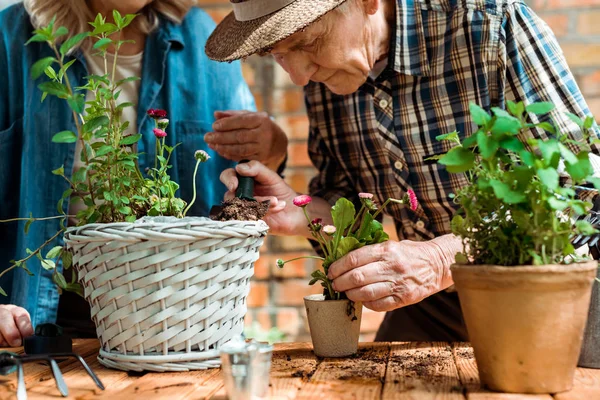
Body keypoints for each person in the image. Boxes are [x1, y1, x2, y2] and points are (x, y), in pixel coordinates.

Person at [206, 0, 600, 341]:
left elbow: (583, 190)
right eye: (277, 53)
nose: (299, 76)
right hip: (436, 303)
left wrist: (442, 259)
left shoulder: (492, 25)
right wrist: (302, 212)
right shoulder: (325, 78)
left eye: (307, 43)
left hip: (553, 284)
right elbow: (352, 209)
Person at [0, 0, 288, 346]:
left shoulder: (202, 36)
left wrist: (273, 149)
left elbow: (247, 187)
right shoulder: (11, 38)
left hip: (178, 322)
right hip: (37, 322)